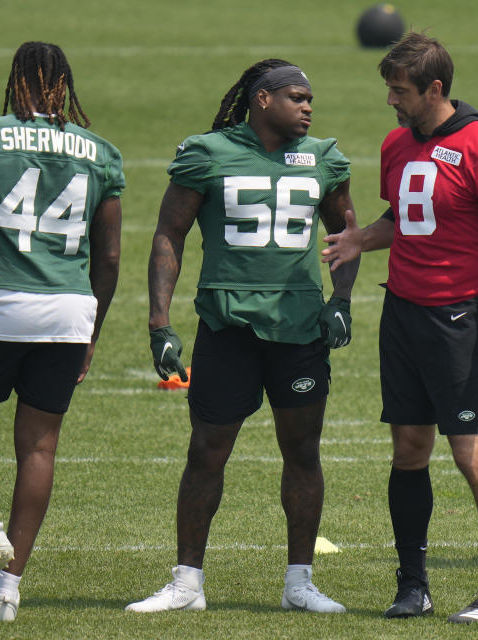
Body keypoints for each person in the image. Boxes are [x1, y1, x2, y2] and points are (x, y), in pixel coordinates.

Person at [126, 59, 359, 615]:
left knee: (302, 451)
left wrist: (342, 301)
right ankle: (186, 583)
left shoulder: (323, 157)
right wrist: (160, 321)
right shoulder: (207, 153)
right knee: (206, 451)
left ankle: (299, 582)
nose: (308, 107)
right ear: (261, 99)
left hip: (299, 330)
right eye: (297, 97)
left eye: (310, 99)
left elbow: (347, 233)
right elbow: (169, 234)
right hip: (227, 326)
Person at [322, 32, 478, 623]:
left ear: (435, 89)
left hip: (462, 319)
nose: (391, 101)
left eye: (400, 91)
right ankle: (412, 584)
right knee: (409, 449)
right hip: (404, 314)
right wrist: (363, 238)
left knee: (472, 453)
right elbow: (406, 216)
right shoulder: (397, 144)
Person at [0, 41, 124, 622]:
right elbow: (109, 259)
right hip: (68, 309)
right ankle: (9, 589)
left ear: (17, 82)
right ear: (64, 86)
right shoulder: (100, 151)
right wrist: (92, 330)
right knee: (39, 445)